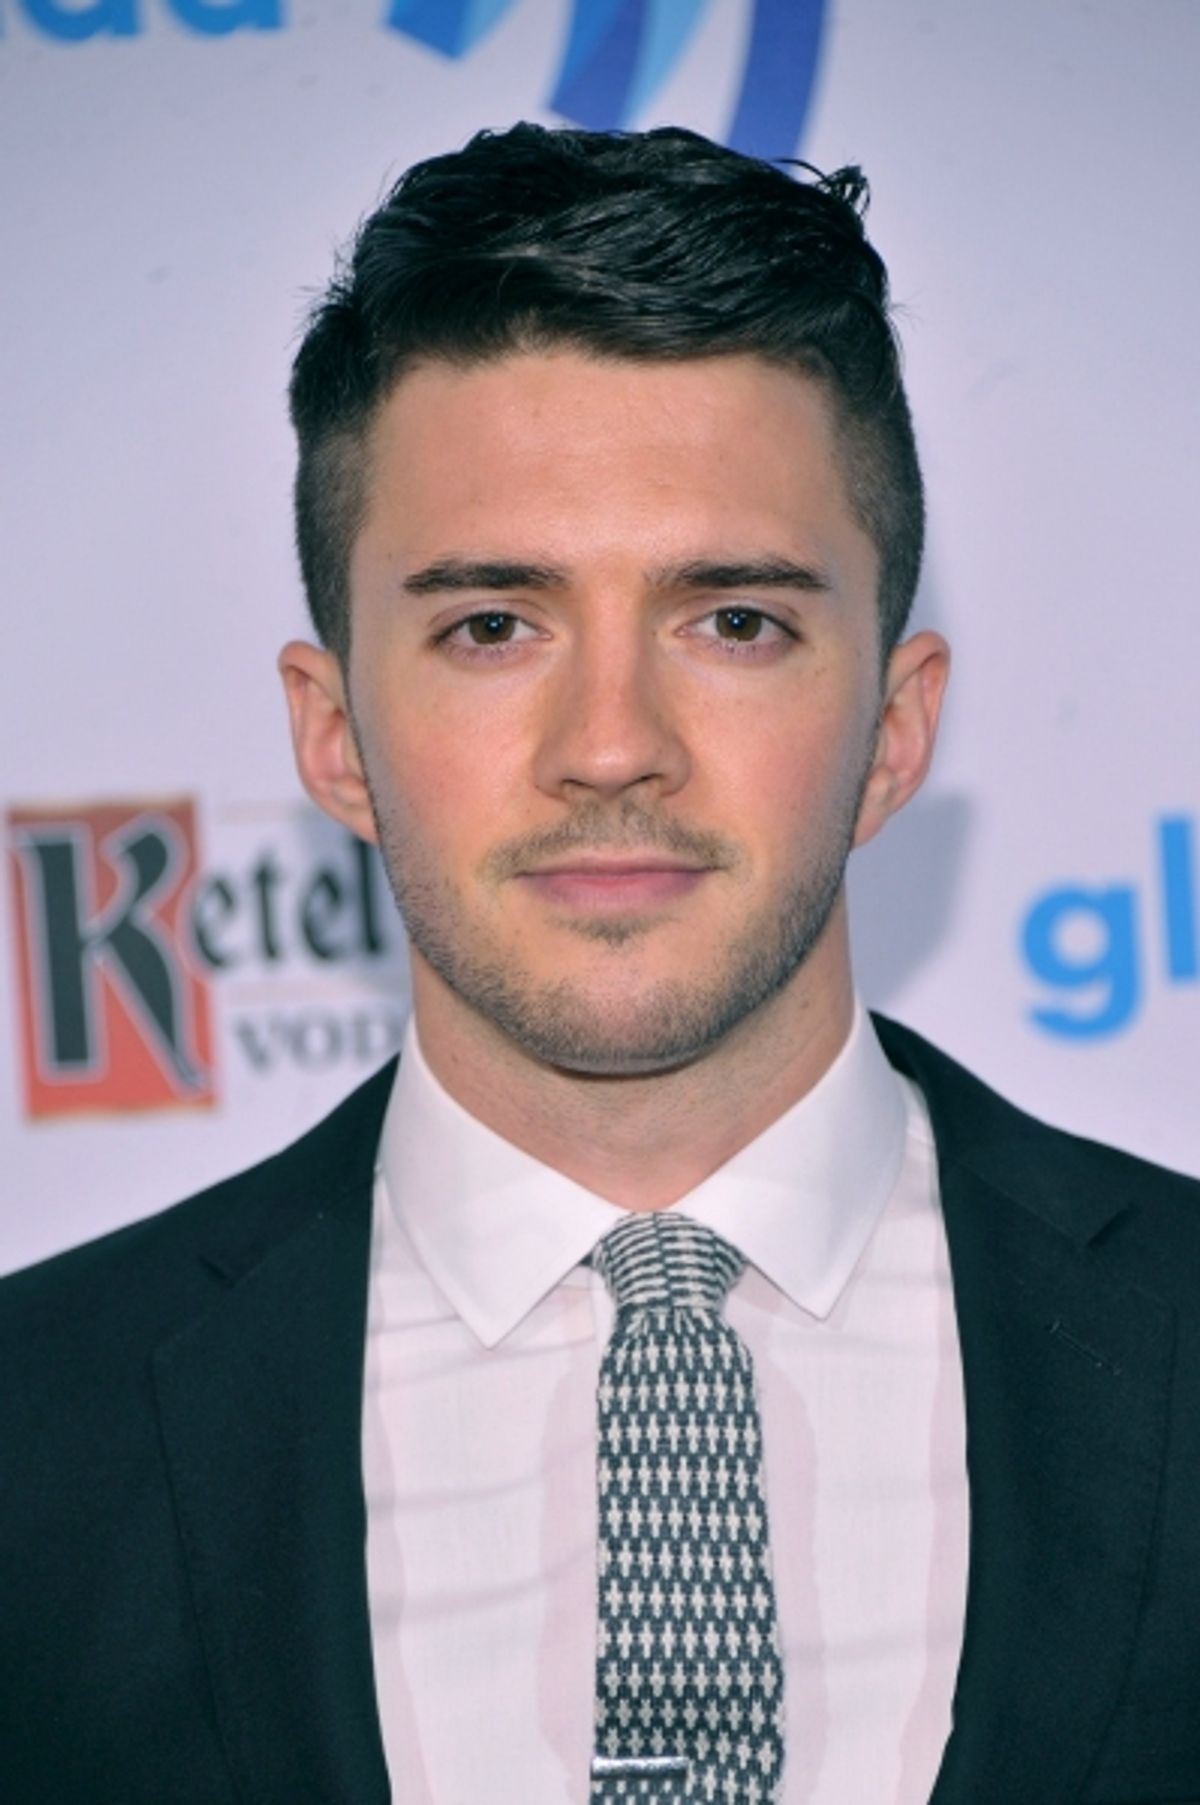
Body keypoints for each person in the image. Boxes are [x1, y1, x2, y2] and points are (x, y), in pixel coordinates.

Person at [2, 123, 1198, 1805]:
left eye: (736, 620)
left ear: (896, 728)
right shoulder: (30, 1441)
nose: (614, 745)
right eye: (494, 625)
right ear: (335, 734)